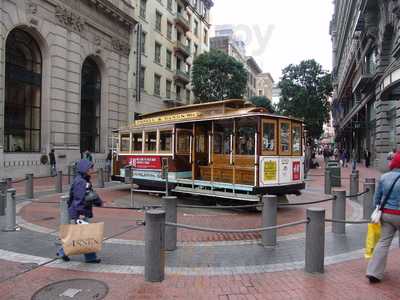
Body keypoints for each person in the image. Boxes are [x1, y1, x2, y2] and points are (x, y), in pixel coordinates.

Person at [57, 159, 102, 263]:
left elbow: (90, 194)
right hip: (80, 212)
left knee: (83, 235)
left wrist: (99, 202)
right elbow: (78, 199)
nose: (92, 169)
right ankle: (63, 252)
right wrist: (80, 215)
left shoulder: (84, 180)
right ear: (84, 169)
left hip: (82, 210)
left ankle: (90, 257)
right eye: (90, 168)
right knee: (81, 235)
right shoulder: (80, 182)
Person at [366, 152, 400, 283]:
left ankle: (373, 272)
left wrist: (377, 210)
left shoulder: (384, 177)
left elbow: (376, 199)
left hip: (386, 214)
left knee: (383, 243)